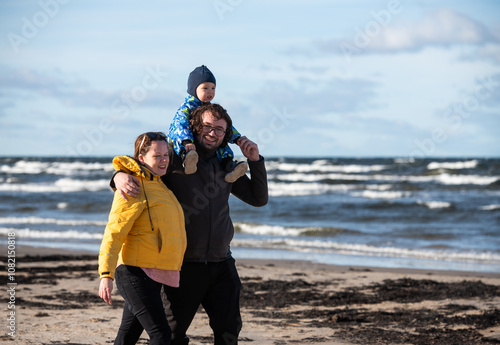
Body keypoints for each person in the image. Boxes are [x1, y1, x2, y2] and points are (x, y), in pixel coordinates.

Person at [113, 103, 268, 345]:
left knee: (229, 332)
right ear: (195, 128)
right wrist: (118, 176)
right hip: (183, 267)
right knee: (171, 336)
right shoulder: (175, 160)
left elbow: (258, 199)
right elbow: (144, 166)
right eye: (207, 126)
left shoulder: (226, 166)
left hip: (222, 264)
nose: (212, 133)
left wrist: (256, 161)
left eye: (219, 129)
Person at [98, 132, 187, 345]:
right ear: (141, 157)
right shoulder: (132, 186)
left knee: (127, 337)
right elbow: (114, 232)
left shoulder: (160, 185)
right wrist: (106, 274)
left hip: (153, 272)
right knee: (161, 336)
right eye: (157, 156)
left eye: (166, 154)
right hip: (135, 273)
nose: (164, 160)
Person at [167, 65, 248, 183]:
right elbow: (180, 124)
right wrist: (186, 141)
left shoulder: (211, 108)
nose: (210, 92)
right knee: (184, 145)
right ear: (194, 89)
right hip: (184, 138)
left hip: (200, 140)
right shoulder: (187, 107)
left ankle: (229, 167)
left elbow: (224, 126)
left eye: (213, 88)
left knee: (223, 145)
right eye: (205, 88)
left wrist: (237, 138)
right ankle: (187, 160)